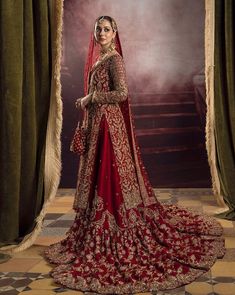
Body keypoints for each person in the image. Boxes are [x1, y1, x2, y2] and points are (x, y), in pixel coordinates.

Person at [45, 16, 225, 294]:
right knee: (96, 179)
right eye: (98, 29)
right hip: (98, 124)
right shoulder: (98, 58)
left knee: (110, 179)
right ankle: (91, 232)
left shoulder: (114, 59)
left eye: (106, 29)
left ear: (115, 33)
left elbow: (122, 93)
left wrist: (92, 98)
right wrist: (88, 103)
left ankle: (116, 229)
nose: (101, 33)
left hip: (110, 127)